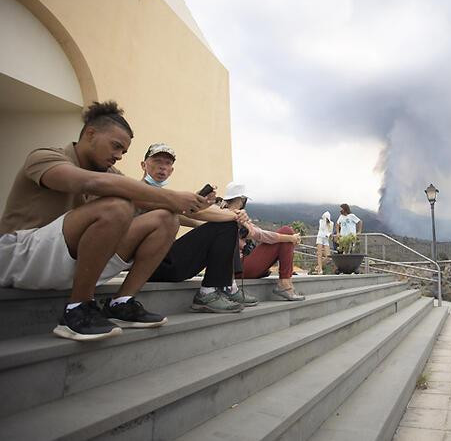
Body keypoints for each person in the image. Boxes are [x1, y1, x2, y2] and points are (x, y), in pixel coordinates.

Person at [0, 101, 208, 341]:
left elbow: (160, 204)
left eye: (124, 152)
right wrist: (171, 196)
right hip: (18, 257)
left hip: (68, 259)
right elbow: (90, 183)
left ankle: (121, 302)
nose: (119, 156)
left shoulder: (110, 175)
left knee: (166, 219)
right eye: (116, 146)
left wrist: (218, 213)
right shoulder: (44, 157)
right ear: (91, 133)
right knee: (118, 205)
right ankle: (77, 308)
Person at [141, 147, 257, 313]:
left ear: (172, 170)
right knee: (226, 225)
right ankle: (210, 291)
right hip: (151, 265)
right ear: (143, 165)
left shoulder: (166, 198)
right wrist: (233, 216)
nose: (162, 167)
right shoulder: (139, 191)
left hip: (168, 262)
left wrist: (228, 217)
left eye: (167, 164)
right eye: (157, 162)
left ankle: (226, 286)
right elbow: (195, 213)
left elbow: (196, 219)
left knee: (224, 228)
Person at [230, 185, 305, 301]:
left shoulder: (233, 214)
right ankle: (285, 284)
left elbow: (259, 233)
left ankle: (287, 283)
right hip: (239, 267)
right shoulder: (233, 215)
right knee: (286, 232)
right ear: (241, 200)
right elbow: (259, 235)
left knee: (286, 235)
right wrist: (290, 238)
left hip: (242, 266)